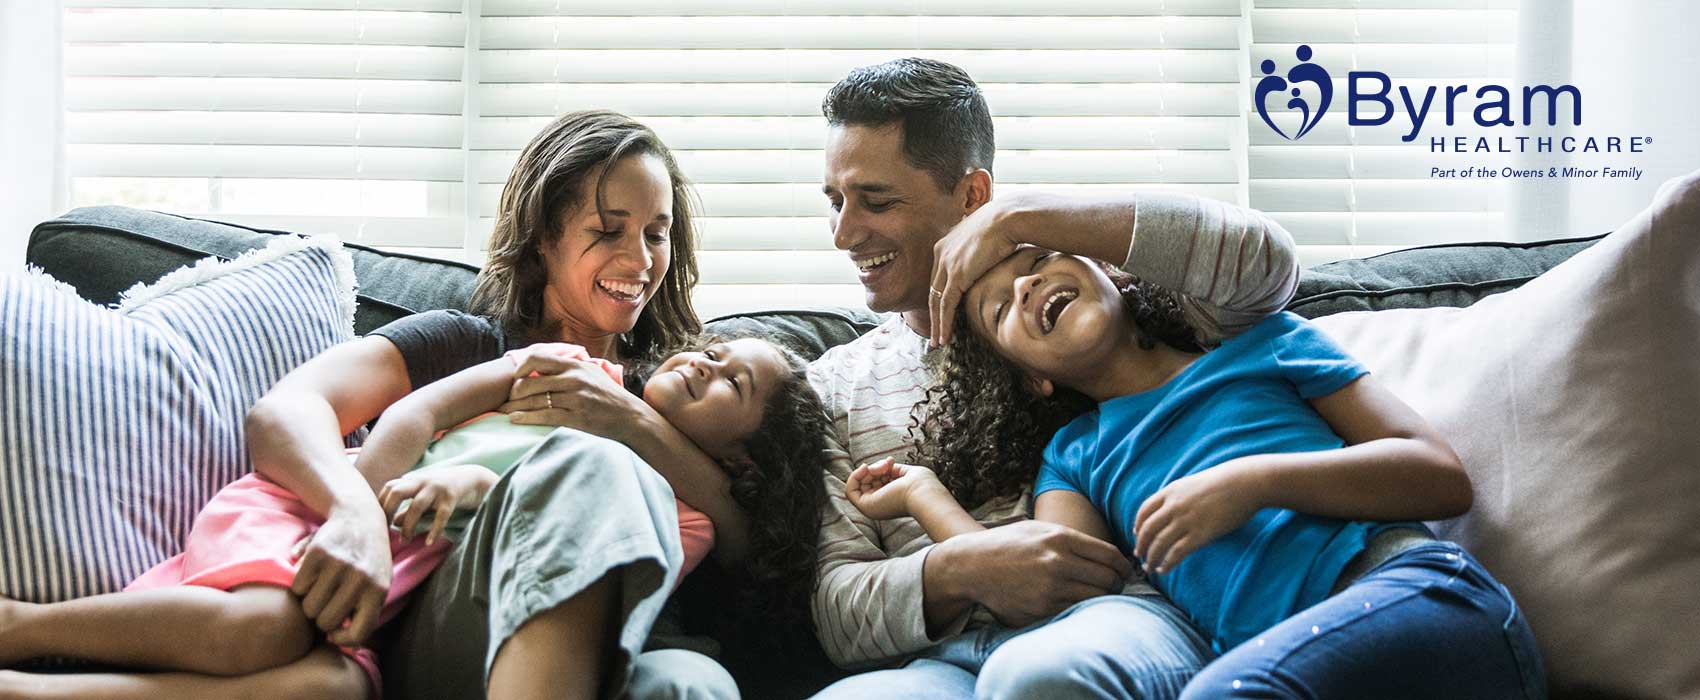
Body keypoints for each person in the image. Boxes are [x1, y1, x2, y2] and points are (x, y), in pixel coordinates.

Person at [849, 239, 1546, 699]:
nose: (1028, 287)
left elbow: (1437, 474)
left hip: (1421, 600)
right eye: (1002, 308)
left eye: (1039, 259)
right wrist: (924, 494)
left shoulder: (1262, 345)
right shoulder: (1076, 455)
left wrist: (1254, 481)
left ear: (1109, 270)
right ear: (1032, 381)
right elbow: (1047, 578)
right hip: (1282, 667)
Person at [806, 57, 1301, 700]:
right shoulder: (831, 386)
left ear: (972, 196)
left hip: (1115, 619)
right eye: (835, 202)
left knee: (1041, 677)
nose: (844, 233)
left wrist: (1021, 221)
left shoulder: (1088, 309)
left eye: (876, 200)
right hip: (942, 661)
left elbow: (1265, 265)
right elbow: (835, 611)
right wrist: (958, 569)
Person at [0, 336, 830, 700]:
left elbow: (557, 558)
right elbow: (416, 416)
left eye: (731, 382)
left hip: (391, 604)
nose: (702, 362)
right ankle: (21, 626)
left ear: (744, 463)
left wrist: (634, 439)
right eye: (713, 348)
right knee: (265, 628)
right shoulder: (565, 365)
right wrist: (359, 508)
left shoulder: (682, 519)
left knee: (323, 689)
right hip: (323, 520)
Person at [244, 109, 744, 700]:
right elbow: (284, 414)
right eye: (608, 231)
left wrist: (630, 421)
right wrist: (355, 514)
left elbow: (754, 549)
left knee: (695, 685)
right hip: (450, 626)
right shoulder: (465, 346)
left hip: (636, 640)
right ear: (543, 239)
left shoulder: (680, 387)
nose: (639, 260)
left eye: (655, 234)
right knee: (593, 468)